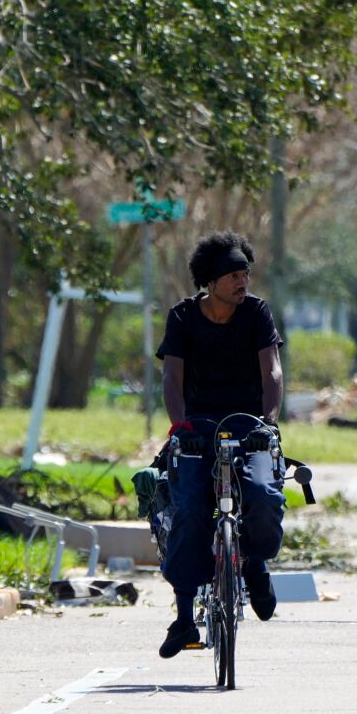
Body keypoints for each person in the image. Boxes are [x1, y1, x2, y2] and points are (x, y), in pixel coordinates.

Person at [154, 231, 286, 659]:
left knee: (264, 498)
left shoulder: (257, 313)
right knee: (190, 510)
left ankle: (255, 564)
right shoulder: (182, 317)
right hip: (197, 428)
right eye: (232, 275)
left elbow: (274, 374)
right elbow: (171, 379)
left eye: (245, 272)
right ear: (210, 283)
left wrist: (268, 421)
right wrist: (180, 426)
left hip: (249, 424)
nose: (242, 280)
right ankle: (183, 616)